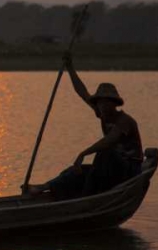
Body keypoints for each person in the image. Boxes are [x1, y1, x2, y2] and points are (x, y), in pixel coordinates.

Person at [27, 53, 143, 200]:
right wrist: (70, 67)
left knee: (105, 152)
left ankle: (87, 197)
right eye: (100, 102)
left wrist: (83, 153)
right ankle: (43, 187)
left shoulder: (124, 121)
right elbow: (82, 92)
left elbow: (109, 141)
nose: (103, 106)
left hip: (130, 169)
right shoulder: (101, 113)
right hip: (111, 167)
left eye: (107, 102)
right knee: (75, 171)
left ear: (114, 104)